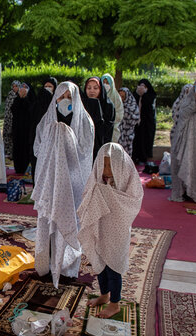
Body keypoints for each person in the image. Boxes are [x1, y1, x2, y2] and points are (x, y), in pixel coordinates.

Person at [31, 81, 94, 287]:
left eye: (69, 96)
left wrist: (65, 138)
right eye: (61, 96)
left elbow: (84, 153)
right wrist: (54, 140)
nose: (65, 99)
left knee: (69, 223)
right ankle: (47, 265)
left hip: (73, 184)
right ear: (55, 99)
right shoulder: (47, 121)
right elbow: (38, 149)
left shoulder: (85, 122)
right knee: (48, 221)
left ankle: (67, 268)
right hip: (50, 182)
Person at [77, 142, 143, 318]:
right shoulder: (97, 181)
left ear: (120, 165)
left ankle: (115, 303)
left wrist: (109, 196)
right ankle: (104, 295)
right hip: (101, 226)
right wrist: (100, 193)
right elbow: (88, 195)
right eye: (104, 164)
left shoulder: (127, 179)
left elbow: (133, 200)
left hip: (117, 230)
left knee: (113, 266)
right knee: (100, 263)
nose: (107, 169)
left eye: (111, 164)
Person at [30, 77, 58, 180]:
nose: (47, 89)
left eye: (50, 87)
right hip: (36, 138)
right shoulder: (37, 102)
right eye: (45, 86)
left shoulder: (57, 103)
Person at [82, 77, 115, 160]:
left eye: (95, 88)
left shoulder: (108, 105)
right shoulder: (82, 104)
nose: (92, 91)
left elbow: (108, 127)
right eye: (89, 88)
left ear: (100, 89)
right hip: (84, 145)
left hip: (101, 143)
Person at [10, 82, 36, 174]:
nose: (23, 89)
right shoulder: (16, 99)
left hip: (28, 129)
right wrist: (20, 98)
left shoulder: (32, 99)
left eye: (26, 87)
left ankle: (26, 169)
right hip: (17, 129)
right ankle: (18, 168)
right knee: (17, 148)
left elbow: (30, 110)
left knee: (26, 149)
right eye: (22, 87)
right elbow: (14, 110)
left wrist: (25, 98)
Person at [132, 79, 157, 164]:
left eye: (144, 87)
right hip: (136, 123)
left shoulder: (151, 96)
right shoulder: (134, 95)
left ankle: (144, 157)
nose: (142, 88)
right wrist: (138, 94)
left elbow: (149, 107)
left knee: (145, 140)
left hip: (147, 123)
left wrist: (144, 95)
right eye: (140, 86)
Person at [117, 87, 140, 156]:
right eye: (119, 96)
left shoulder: (132, 105)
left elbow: (135, 119)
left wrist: (125, 112)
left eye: (123, 96)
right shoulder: (116, 105)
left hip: (128, 134)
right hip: (118, 133)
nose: (121, 98)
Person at [101, 74, 124, 143]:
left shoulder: (116, 97)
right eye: (103, 82)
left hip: (113, 129)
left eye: (107, 83)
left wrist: (110, 121)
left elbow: (119, 112)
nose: (105, 85)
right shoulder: (98, 96)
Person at [2, 80, 21, 159]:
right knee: (8, 135)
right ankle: (8, 152)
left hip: (15, 118)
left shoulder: (20, 95)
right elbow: (8, 107)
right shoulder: (10, 95)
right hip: (8, 118)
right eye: (13, 86)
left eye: (16, 86)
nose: (15, 88)